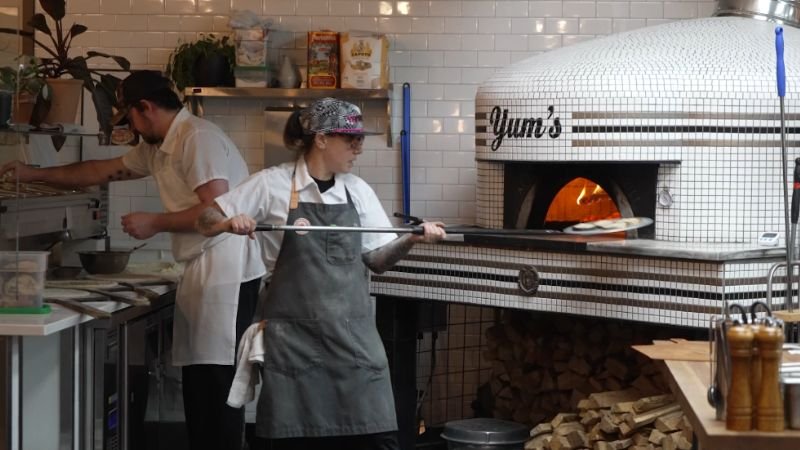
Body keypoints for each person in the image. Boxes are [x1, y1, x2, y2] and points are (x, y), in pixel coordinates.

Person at [0, 70, 265, 450]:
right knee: (200, 380)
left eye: (132, 119)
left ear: (146, 107)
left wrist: (155, 222)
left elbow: (216, 210)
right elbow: (98, 171)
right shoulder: (158, 146)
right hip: (205, 266)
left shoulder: (197, 138)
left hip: (228, 268)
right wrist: (33, 173)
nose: (132, 129)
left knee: (216, 383)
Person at [195, 97, 447, 450]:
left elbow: (377, 261)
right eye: (351, 139)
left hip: (353, 344)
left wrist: (412, 239)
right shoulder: (271, 184)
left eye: (359, 139)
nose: (358, 148)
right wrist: (228, 222)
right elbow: (204, 219)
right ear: (322, 138)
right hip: (294, 344)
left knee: (374, 439)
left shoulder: (357, 191)